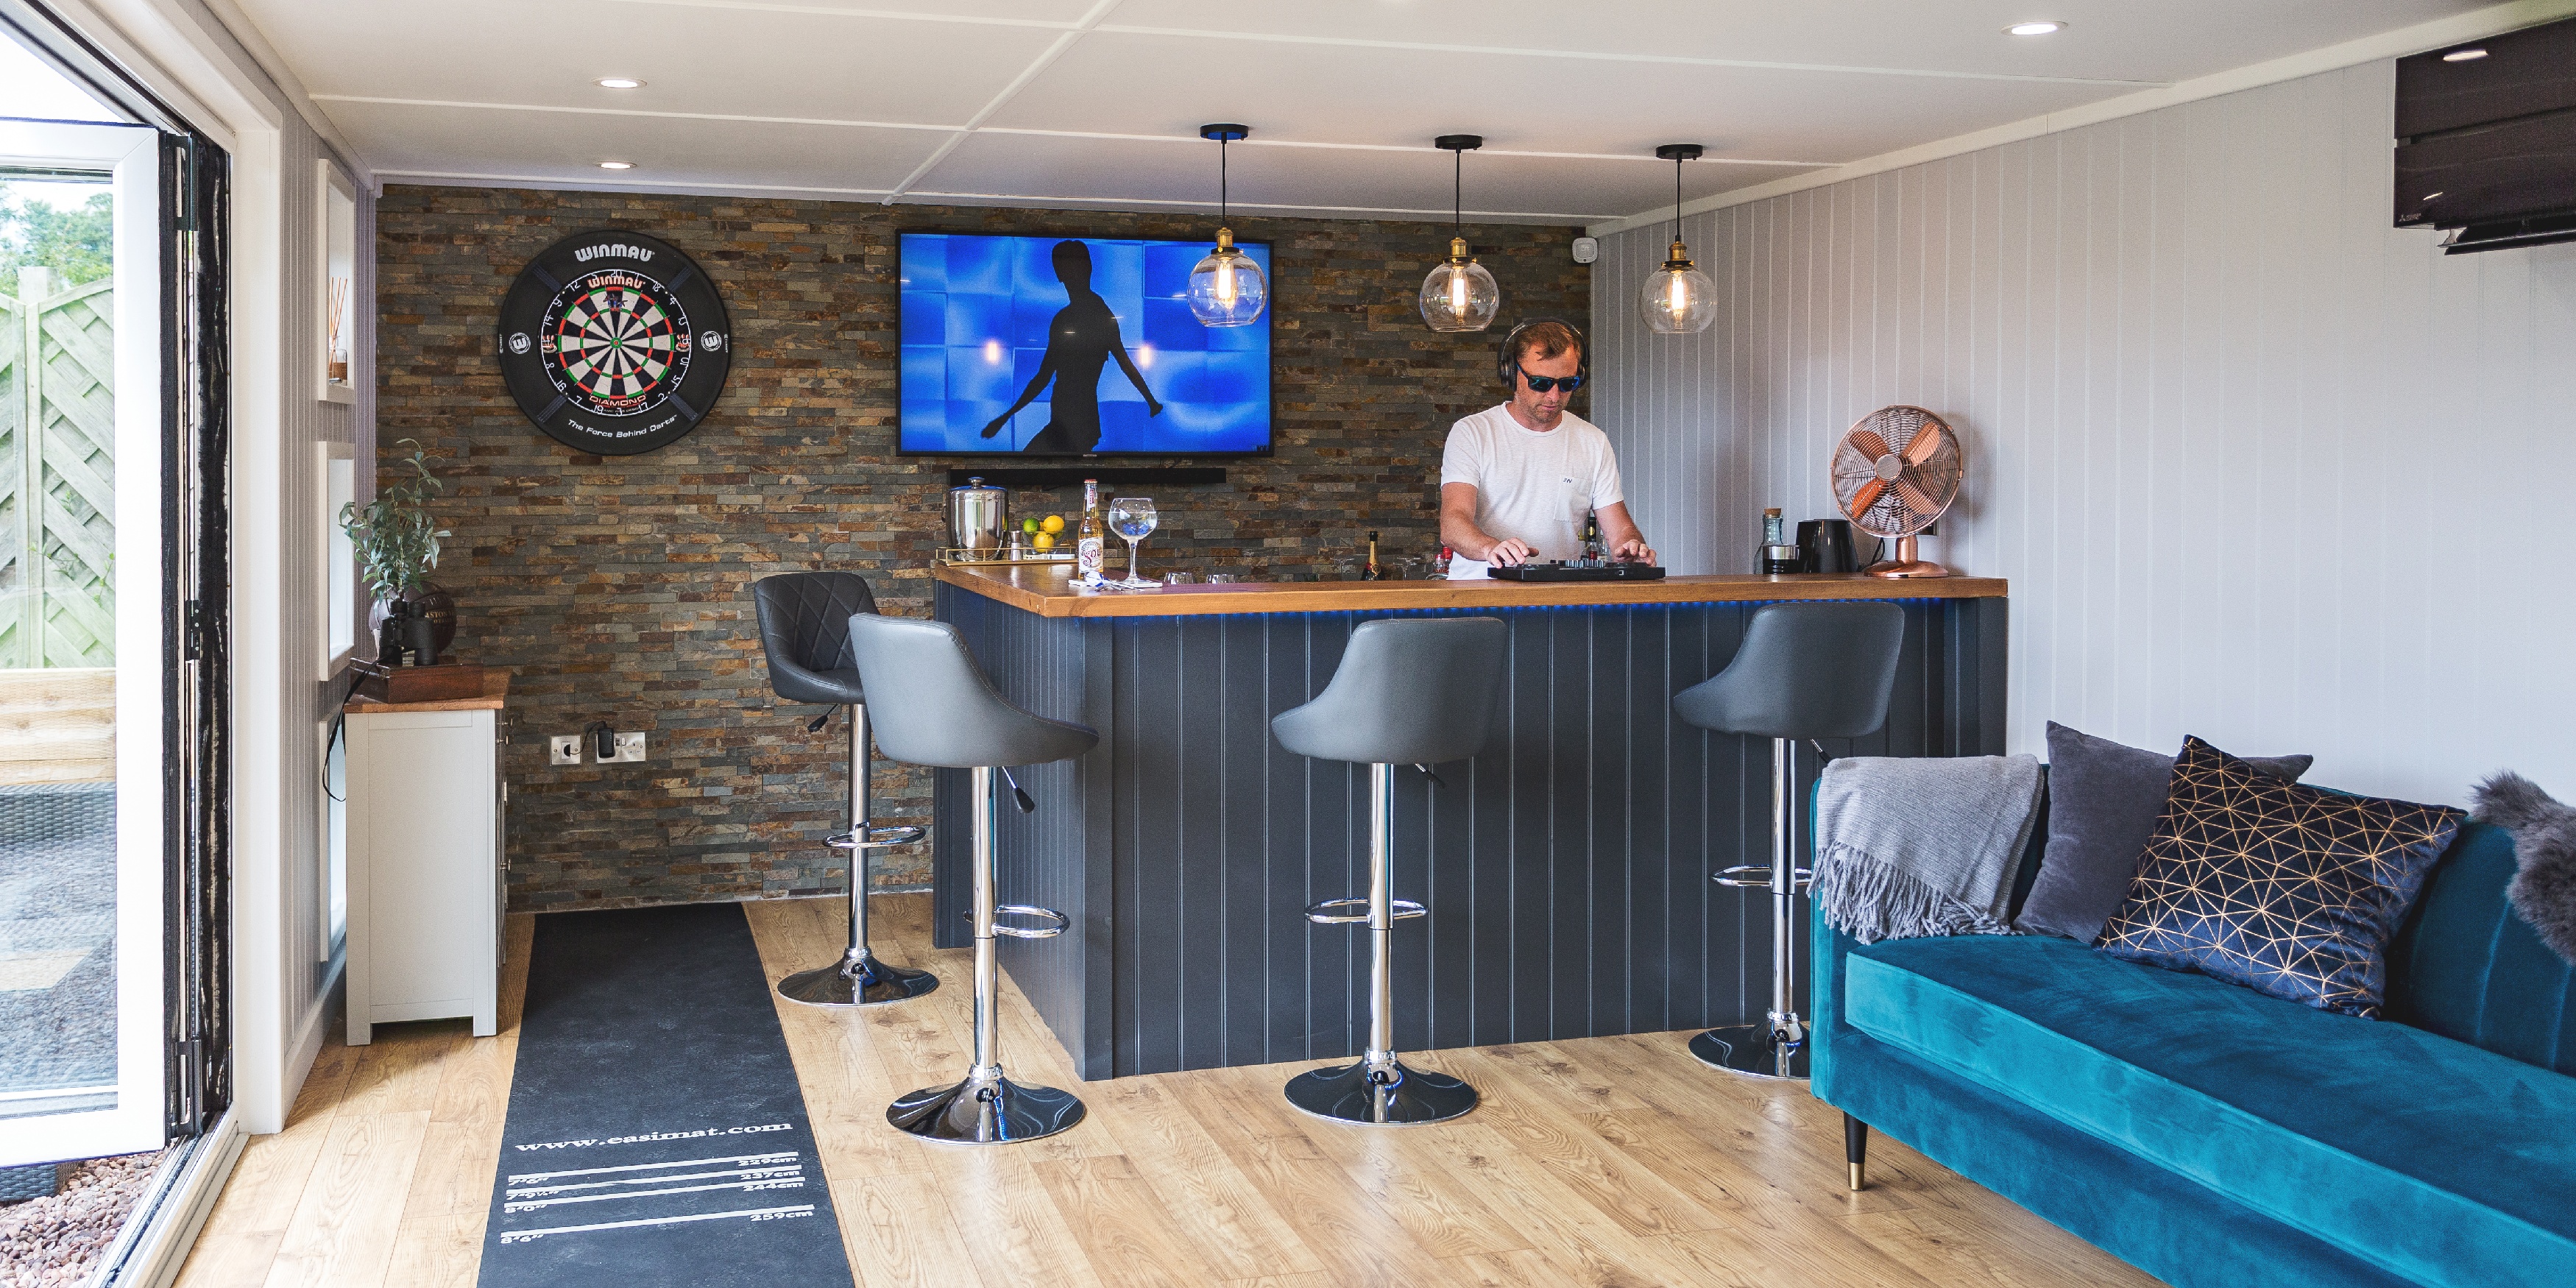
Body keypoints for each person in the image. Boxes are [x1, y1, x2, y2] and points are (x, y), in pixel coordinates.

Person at [1438, 319, 1655, 578]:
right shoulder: (1472, 433)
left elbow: (1620, 531)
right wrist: (1491, 548)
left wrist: (1632, 547)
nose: (1554, 396)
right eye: (1541, 383)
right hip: (1478, 593)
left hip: (1559, 600)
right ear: (1511, 373)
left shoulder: (1593, 441)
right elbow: (1453, 523)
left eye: (1567, 384)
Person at [980, 239, 1163, 453]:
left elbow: (1043, 378)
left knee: (1030, 462)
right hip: (1068, 422)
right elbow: (1124, 364)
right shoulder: (1081, 317)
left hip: (1075, 424)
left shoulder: (1087, 316)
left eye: (1074, 266)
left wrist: (1004, 418)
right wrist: (1151, 402)